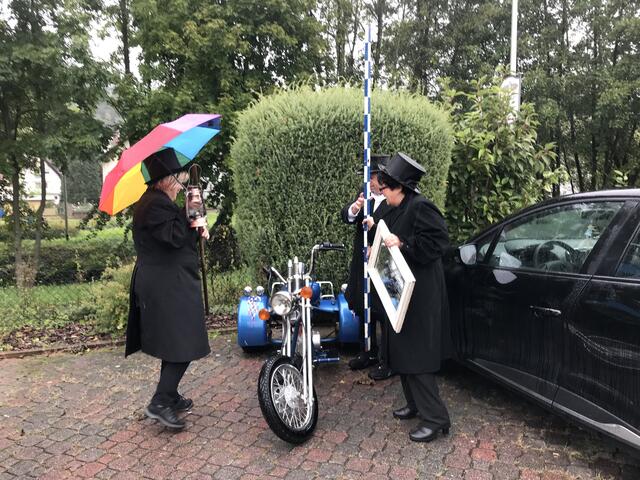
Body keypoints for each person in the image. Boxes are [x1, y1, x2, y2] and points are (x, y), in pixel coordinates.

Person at [125, 148, 211, 430]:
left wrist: (197, 222)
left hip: (171, 283)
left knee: (175, 340)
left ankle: (170, 394)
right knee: (185, 339)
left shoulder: (158, 202)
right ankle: (160, 402)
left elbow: (180, 233)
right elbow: (174, 236)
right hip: (166, 286)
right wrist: (189, 212)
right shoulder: (153, 205)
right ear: (166, 180)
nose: (180, 183)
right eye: (178, 178)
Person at [376, 151, 452, 443]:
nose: (382, 193)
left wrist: (404, 244)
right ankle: (415, 404)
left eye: (385, 188)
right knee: (402, 350)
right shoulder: (398, 207)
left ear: (400, 187)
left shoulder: (421, 207)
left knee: (417, 355)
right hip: (402, 293)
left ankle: (436, 418)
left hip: (421, 295)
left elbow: (439, 243)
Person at [341, 154, 399, 380]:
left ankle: (388, 361)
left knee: (383, 311)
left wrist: (376, 237)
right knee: (363, 306)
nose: (369, 182)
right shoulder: (364, 194)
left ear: (382, 178)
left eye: (372, 178)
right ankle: (367, 351)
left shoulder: (394, 200)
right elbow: (346, 216)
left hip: (383, 266)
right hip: (362, 265)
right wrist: (355, 208)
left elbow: (395, 231)